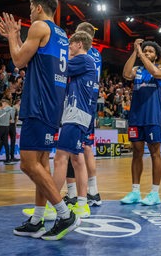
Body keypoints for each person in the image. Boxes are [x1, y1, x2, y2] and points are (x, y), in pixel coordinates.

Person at [0, 0, 80, 240]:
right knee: (42, 163)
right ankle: (37, 219)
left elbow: (19, 60)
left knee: (28, 163)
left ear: (38, 8)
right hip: (53, 103)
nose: (30, 13)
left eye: (31, 8)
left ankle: (65, 215)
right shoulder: (62, 34)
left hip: (40, 102)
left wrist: (13, 36)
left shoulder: (39, 26)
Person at [49, 31, 98, 219]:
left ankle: (51, 205)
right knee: (77, 160)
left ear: (79, 44)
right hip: (79, 113)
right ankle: (83, 205)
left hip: (76, 113)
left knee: (60, 158)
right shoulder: (86, 63)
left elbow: (59, 68)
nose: (68, 48)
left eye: (70, 45)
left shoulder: (83, 59)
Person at [120, 38, 161, 206]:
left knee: (155, 153)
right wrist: (135, 52)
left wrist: (142, 55)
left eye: (150, 51)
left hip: (152, 117)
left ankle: (155, 193)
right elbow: (126, 74)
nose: (147, 52)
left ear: (156, 56)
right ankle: (135, 191)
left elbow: (156, 74)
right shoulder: (137, 70)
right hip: (136, 117)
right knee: (136, 153)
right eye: (145, 50)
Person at [63, 22, 103, 207]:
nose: (70, 44)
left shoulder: (83, 55)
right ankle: (91, 192)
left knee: (72, 151)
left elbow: (62, 68)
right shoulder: (97, 55)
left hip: (78, 103)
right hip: (90, 101)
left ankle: (74, 194)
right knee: (82, 149)